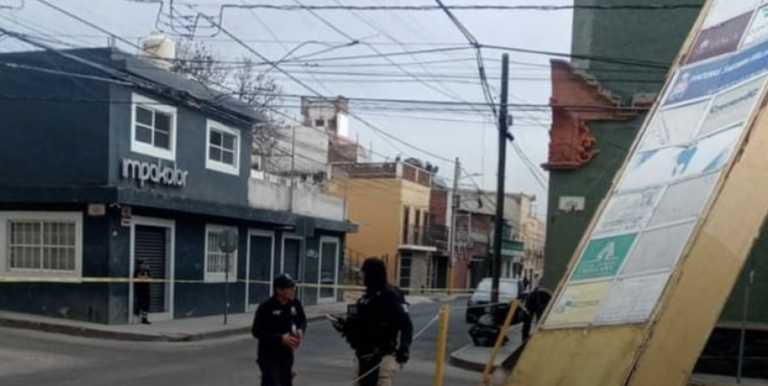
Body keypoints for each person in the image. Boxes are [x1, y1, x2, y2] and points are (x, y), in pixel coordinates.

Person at [329, 257, 413, 386]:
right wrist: (343, 326)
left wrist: (404, 347)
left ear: (371, 274)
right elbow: (361, 328)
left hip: (382, 358)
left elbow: (406, 323)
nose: (360, 274)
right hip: (361, 357)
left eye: (363, 271)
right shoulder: (365, 299)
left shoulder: (390, 296)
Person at [251, 273, 307, 386]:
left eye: (293, 287)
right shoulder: (266, 307)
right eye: (289, 288)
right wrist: (279, 339)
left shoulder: (295, 304)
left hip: (286, 353)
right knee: (272, 381)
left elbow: (303, 320)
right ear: (279, 290)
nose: (293, 290)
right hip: (268, 354)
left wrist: (301, 330)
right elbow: (256, 331)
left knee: (285, 382)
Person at [133, 260, 151, 325]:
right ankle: (136, 317)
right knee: (139, 304)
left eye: (142, 264)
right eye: (140, 264)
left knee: (146, 305)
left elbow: (149, 278)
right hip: (139, 291)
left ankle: (144, 319)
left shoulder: (147, 271)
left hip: (146, 290)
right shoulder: (136, 271)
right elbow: (136, 279)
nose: (141, 265)